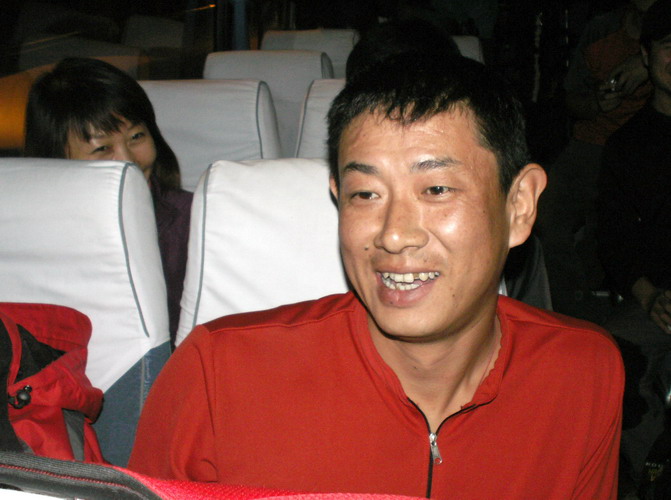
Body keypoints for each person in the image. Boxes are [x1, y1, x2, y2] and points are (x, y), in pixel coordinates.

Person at [129, 52, 624, 498]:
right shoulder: (218, 375)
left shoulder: (580, 373)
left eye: (436, 189)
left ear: (518, 206)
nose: (393, 235)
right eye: (365, 194)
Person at [23, 57, 191, 347]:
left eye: (136, 136)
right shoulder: (25, 236)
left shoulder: (192, 222)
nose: (128, 161)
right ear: (56, 159)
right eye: (102, 148)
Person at [536, 0, 655, 321]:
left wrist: (645, 64)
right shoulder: (602, 29)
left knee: (611, 226)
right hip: (592, 142)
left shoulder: (661, 31)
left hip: (643, 146)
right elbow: (573, 98)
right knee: (545, 213)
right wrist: (598, 103)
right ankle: (570, 309)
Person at [596, 0, 671, 493]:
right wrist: (650, 296)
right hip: (656, 301)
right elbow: (613, 237)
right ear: (646, 57)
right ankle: (649, 473)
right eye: (669, 47)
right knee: (608, 359)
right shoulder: (628, 145)